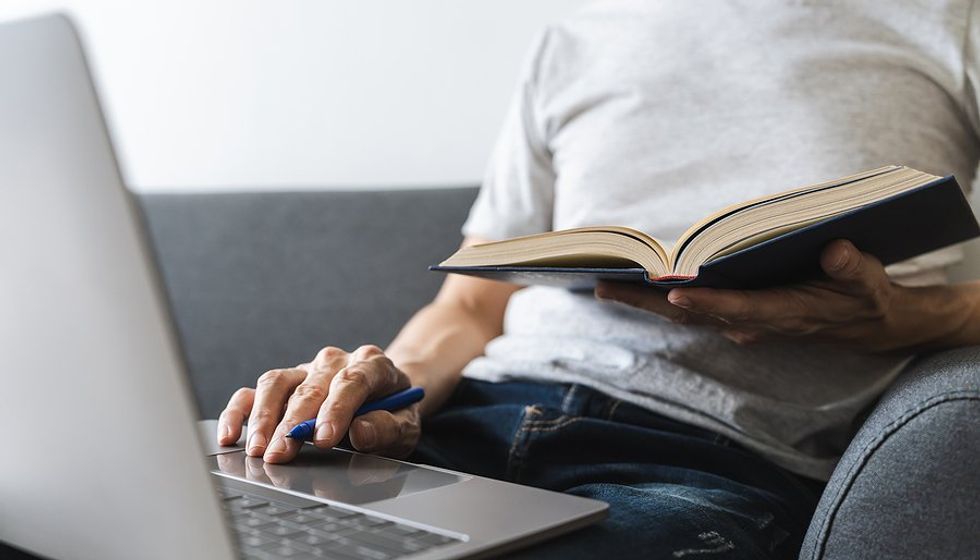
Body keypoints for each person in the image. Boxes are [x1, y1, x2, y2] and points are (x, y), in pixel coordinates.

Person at [216, 2, 980, 557]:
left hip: (701, 466)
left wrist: (906, 319)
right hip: (469, 422)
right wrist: (389, 386)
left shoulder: (949, 23)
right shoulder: (578, 38)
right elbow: (473, 301)